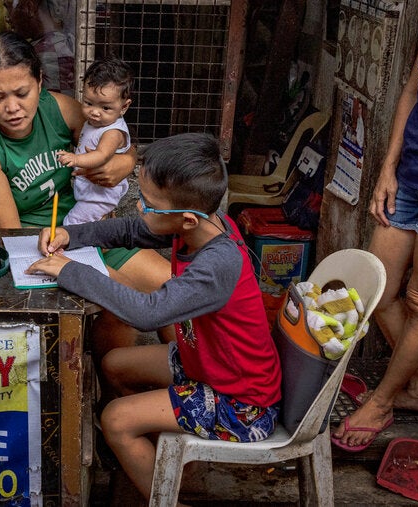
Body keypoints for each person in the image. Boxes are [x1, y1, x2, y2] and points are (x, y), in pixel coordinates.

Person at [26, 133, 281, 499]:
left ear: (188, 219)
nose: (141, 209)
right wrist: (71, 234)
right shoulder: (201, 226)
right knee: (114, 363)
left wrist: (69, 271)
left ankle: (165, 496)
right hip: (210, 364)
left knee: (115, 419)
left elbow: (149, 313)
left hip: (241, 401)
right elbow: (133, 229)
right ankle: (155, 458)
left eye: (148, 204)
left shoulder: (217, 263)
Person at [0, 31, 174, 370]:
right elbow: (10, 235)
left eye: (22, 93)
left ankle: (188, 387)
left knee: (174, 289)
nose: (12, 108)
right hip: (42, 248)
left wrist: (125, 161)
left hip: (95, 230)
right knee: (120, 305)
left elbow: (113, 137)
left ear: (40, 81)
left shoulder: (56, 108)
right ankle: (112, 398)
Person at [332, 24, 418, 451]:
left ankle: (383, 402)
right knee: (377, 290)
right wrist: (388, 167)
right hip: (412, 173)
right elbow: (411, 88)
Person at [57, 56, 133, 225]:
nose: (95, 112)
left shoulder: (113, 132)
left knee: (72, 224)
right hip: (90, 193)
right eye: (89, 103)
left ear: (124, 107)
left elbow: (102, 155)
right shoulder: (94, 123)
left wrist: (75, 159)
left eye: (105, 107)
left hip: (100, 196)